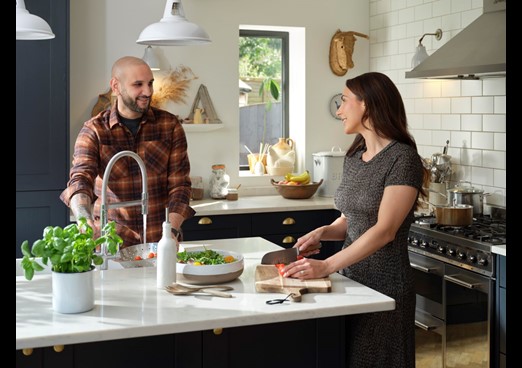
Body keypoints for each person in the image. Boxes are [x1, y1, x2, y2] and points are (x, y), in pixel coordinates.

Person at [281, 72, 428, 368]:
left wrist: (326, 265)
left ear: (367, 105)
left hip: (386, 287)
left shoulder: (403, 159)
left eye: (345, 101)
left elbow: (385, 230)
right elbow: (351, 220)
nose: (339, 110)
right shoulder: (355, 155)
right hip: (351, 283)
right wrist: (322, 232)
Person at [60, 56, 195, 248]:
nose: (147, 91)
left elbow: (180, 186)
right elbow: (80, 180)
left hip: (160, 241)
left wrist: (171, 232)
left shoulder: (169, 125)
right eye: (138, 84)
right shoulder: (95, 130)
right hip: (110, 244)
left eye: (150, 83)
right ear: (115, 86)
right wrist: (84, 219)